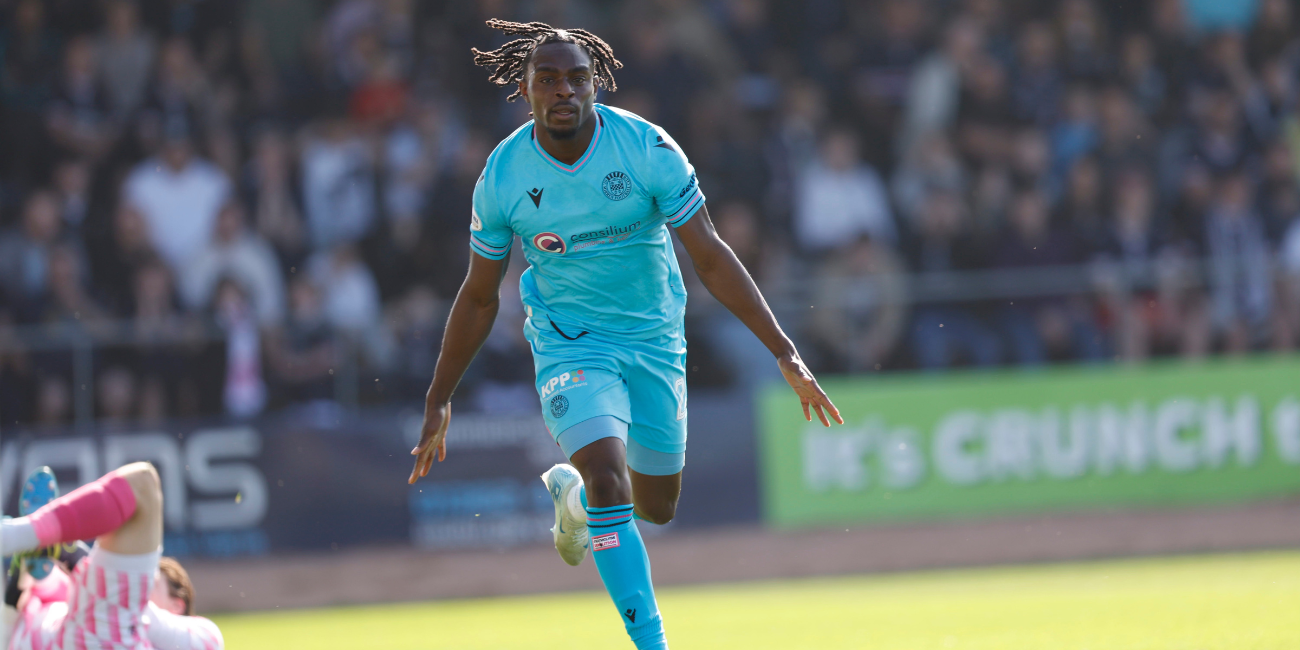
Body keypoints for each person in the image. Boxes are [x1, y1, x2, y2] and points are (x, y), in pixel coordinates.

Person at [407, 20, 842, 650]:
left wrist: (785, 352)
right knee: (612, 476)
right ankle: (652, 641)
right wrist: (438, 395)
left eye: (577, 79)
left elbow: (711, 256)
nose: (563, 91)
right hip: (569, 341)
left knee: (656, 506)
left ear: (596, 85)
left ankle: (578, 503)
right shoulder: (502, 176)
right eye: (548, 80)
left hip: (654, 338)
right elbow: (478, 296)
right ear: (525, 89)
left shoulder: (646, 149)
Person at [1, 464, 224, 649]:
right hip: (37, 635)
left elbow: (128, 604)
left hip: (96, 638)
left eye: (150, 581)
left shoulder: (205, 636)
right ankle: (27, 542)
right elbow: (47, 586)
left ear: (177, 606)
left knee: (143, 484)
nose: (142, 582)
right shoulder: (74, 599)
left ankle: (15, 534)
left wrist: (67, 550)